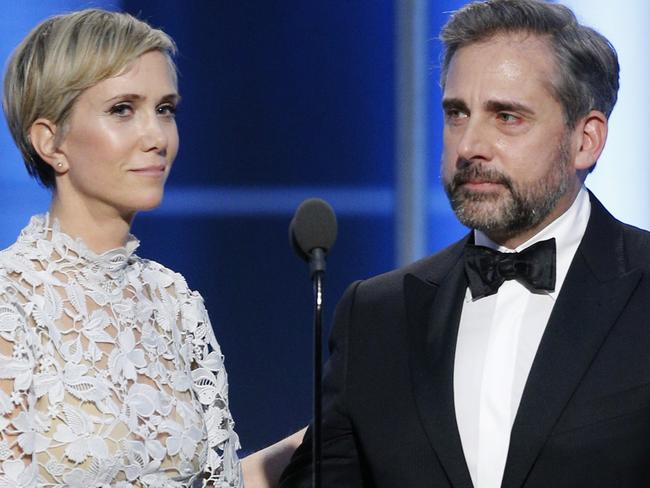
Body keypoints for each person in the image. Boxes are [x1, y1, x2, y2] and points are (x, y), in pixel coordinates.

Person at [279, 0, 650, 487]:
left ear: (586, 140)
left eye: (507, 117)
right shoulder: (377, 316)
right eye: (457, 114)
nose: (470, 145)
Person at [0, 9, 244, 487]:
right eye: (122, 109)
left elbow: (223, 480)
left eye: (165, 109)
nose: (157, 138)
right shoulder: (11, 301)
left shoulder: (174, 301)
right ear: (51, 142)